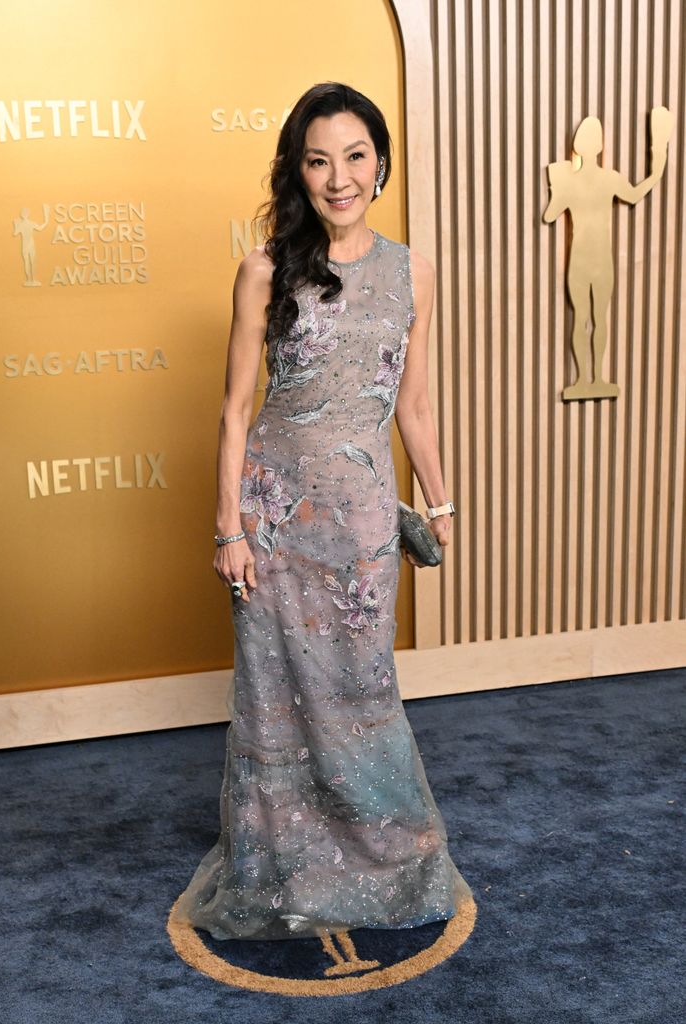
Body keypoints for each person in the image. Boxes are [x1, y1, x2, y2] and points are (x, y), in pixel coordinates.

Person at [171, 82, 473, 941]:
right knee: (274, 701)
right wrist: (228, 526)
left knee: (362, 692)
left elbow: (413, 404)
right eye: (318, 159)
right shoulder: (265, 269)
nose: (338, 177)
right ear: (296, 172)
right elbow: (235, 411)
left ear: (380, 163)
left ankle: (388, 862)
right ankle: (285, 868)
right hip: (272, 522)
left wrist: (439, 497)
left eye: (354, 156)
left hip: (364, 525)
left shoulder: (415, 270)